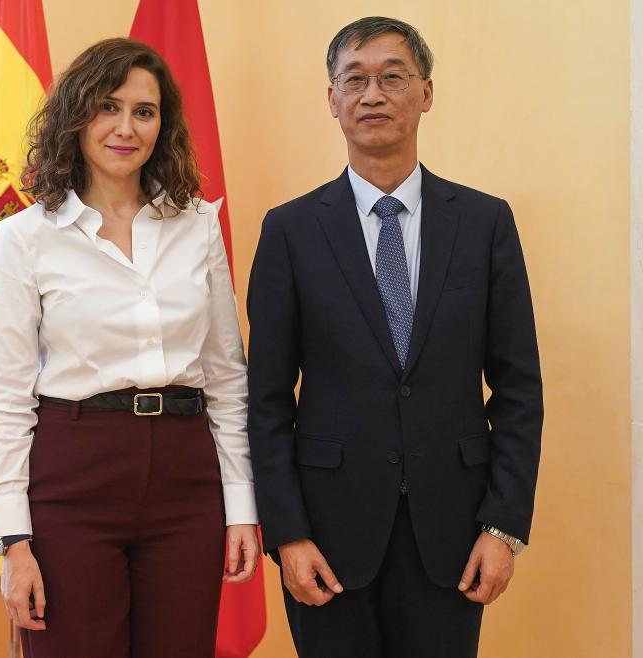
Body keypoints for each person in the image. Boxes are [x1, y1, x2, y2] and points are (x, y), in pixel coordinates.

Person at [247, 17, 544, 658]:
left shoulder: (485, 222)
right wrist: (288, 534)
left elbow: (519, 387)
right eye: (354, 80)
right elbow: (265, 399)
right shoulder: (291, 231)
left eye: (392, 77)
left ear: (427, 93)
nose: (372, 95)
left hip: (455, 534)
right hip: (326, 536)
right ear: (333, 100)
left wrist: (503, 525)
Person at [0, 37, 260, 658]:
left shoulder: (197, 224)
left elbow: (226, 375)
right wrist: (14, 540)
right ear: (76, 118)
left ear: (164, 125)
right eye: (108, 107)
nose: (125, 127)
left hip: (187, 480)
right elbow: (3, 394)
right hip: (73, 476)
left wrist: (241, 505)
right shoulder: (25, 239)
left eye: (144, 111)